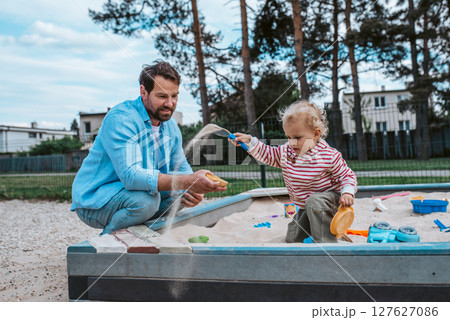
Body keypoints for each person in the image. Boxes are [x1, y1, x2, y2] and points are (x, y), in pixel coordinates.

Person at [71, 60, 226, 235]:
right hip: (95, 200)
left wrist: (194, 188)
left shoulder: (171, 127)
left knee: (181, 193)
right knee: (146, 201)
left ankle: (141, 237)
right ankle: (104, 246)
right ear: (143, 92)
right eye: (162, 96)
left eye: (174, 96)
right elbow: (131, 176)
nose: (169, 103)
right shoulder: (122, 119)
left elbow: (181, 168)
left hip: (133, 193)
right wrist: (187, 181)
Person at [231, 100, 357, 243]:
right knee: (293, 237)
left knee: (314, 202)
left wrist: (347, 192)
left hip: (329, 203)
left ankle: (327, 244)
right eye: (289, 137)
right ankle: (321, 231)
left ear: (316, 134)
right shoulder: (287, 151)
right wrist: (250, 141)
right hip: (306, 205)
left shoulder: (329, 155)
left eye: (297, 137)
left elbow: (347, 175)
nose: (292, 142)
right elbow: (268, 154)